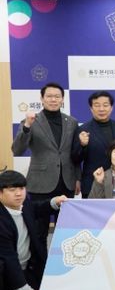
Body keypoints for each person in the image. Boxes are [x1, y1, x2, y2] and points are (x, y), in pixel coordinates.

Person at [0, 170, 67, 290]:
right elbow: (8, 258)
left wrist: (55, 202)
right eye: (12, 190)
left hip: (22, 267)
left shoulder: (24, 205)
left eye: (21, 188)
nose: (18, 193)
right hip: (5, 268)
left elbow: (37, 207)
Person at [11, 82, 79, 243]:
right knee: (38, 231)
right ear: (42, 99)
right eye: (49, 96)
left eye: (57, 96)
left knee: (66, 231)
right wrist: (27, 126)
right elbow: (17, 150)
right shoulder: (31, 121)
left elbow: (75, 153)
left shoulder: (72, 122)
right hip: (40, 183)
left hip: (66, 182)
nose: (53, 99)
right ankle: (39, 260)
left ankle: (61, 259)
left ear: (62, 99)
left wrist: (78, 178)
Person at [71, 91, 115, 198]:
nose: (101, 109)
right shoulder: (83, 129)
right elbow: (75, 159)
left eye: (105, 105)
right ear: (91, 108)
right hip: (92, 184)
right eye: (97, 105)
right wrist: (82, 145)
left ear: (111, 107)